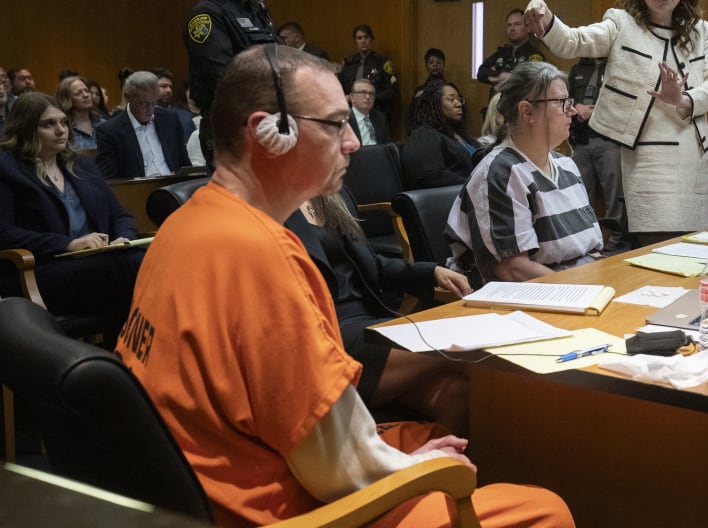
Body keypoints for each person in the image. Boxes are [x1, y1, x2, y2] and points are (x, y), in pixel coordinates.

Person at [114, 44, 573, 528]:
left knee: (435, 432)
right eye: (336, 124)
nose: (353, 142)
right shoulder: (265, 255)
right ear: (266, 134)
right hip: (289, 510)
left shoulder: (183, 226)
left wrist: (402, 456)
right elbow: (335, 469)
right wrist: (419, 470)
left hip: (204, 491)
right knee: (545, 509)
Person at [525, 0, 708, 246]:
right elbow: (573, 42)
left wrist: (682, 100)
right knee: (658, 248)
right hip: (648, 156)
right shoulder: (622, 24)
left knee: (695, 247)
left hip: (693, 155)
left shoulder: (699, 30)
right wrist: (545, 14)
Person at [287, 192, 471, 435]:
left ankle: (437, 469)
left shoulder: (333, 194)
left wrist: (432, 271)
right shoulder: (269, 206)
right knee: (468, 351)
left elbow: (372, 264)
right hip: (328, 336)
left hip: (370, 323)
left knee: (456, 392)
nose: (348, 151)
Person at [0, 92, 142, 332]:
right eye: (48, 124)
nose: (61, 130)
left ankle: (127, 357)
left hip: (97, 265)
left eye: (63, 122)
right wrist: (68, 244)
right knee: (129, 267)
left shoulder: (82, 165)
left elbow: (120, 216)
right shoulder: (0, 168)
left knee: (138, 260)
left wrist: (124, 239)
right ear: (25, 129)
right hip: (38, 270)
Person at [445, 61, 602, 285]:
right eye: (561, 103)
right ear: (527, 111)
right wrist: (587, 289)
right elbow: (512, 269)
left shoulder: (567, 165)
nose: (573, 110)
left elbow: (592, 248)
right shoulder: (500, 173)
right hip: (533, 298)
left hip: (582, 285)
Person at [183, 0, 281, 165]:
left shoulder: (256, 9)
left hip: (268, 125)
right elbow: (226, 81)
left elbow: (281, 60)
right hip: (232, 133)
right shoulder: (207, 15)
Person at [565, 57, 626, 251]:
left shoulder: (619, 67)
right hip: (581, 140)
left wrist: (599, 111)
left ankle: (615, 241)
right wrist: (578, 106)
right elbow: (565, 97)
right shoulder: (578, 68)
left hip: (609, 139)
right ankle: (586, 240)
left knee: (614, 193)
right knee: (579, 192)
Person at [95, 71, 190, 179]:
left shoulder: (170, 119)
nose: (150, 110)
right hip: (137, 191)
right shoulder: (110, 131)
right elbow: (109, 179)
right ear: (128, 97)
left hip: (172, 187)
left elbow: (184, 163)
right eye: (143, 103)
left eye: (154, 103)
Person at [401, 81, 479, 189]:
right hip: (450, 199)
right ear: (434, 104)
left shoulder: (461, 135)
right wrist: (473, 184)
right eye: (451, 99)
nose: (459, 104)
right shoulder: (424, 135)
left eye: (460, 99)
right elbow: (431, 176)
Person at [476, 9, 545, 91]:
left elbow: (531, 81)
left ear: (528, 28)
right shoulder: (501, 53)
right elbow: (481, 73)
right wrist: (501, 75)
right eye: (509, 25)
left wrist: (496, 76)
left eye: (517, 24)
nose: (512, 28)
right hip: (497, 102)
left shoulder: (534, 56)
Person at [339, 24, 399, 117]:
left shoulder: (382, 62)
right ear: (355, 41)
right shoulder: (348, 63)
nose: (363, 41)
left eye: (366, 37)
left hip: (375, 111)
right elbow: (339, 87)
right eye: (359, 38)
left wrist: (371, 97)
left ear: (371, 39)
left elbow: (392, 91)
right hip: (350, 113)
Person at [54, 75, 106, 151]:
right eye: (78, 93)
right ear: (67, 99)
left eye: (87, 91)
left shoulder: (103, 124)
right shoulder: (63, 128)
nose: (86, 95)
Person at [347, 79, 389, 145]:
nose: (368, 97)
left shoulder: (380, 118)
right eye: (363, 92)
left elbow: (387, 145)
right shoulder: (344, 119)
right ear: (352, 97)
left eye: (371, 93)